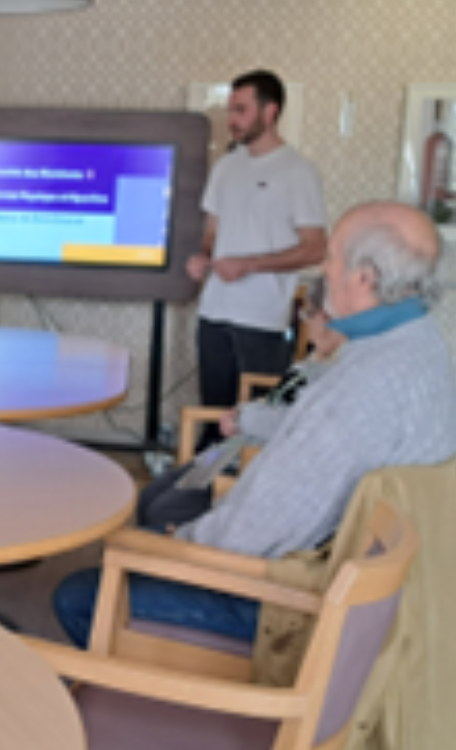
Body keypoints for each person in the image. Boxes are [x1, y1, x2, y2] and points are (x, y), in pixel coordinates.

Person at [55, 201, 456, 647]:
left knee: (79, 593)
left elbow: (256, 533)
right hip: (347, 588)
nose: (322, 267)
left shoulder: (364, 388)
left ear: (364, 280)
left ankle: (152, 698)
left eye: (332, 256)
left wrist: (177, 541)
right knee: (141, 533)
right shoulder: (421, 350)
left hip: (285, 605)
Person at [186, 70, 327, 447]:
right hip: (213, 312)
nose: (231, 119)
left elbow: (316, 248)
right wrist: (202, 258)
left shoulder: (298, 172)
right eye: (231, 109)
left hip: (262, 320)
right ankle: (201, 499)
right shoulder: (226, 168)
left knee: (255, 427)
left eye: (240, 110)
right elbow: (212, 233)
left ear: (270, 112)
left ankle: (248, 501)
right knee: (215, 418)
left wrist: (249, 265)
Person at [138, 277, 346, 532]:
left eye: (308, 314)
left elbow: (295, 422)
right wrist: (244, 412)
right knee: (149, 496)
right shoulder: (316, 359)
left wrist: (243, 418)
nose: (306, 322)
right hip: (232, 449)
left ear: (326, 318)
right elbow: (278, 400)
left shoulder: (338, 374)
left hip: (251, 463)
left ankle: (163, 561)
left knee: (161, 509)